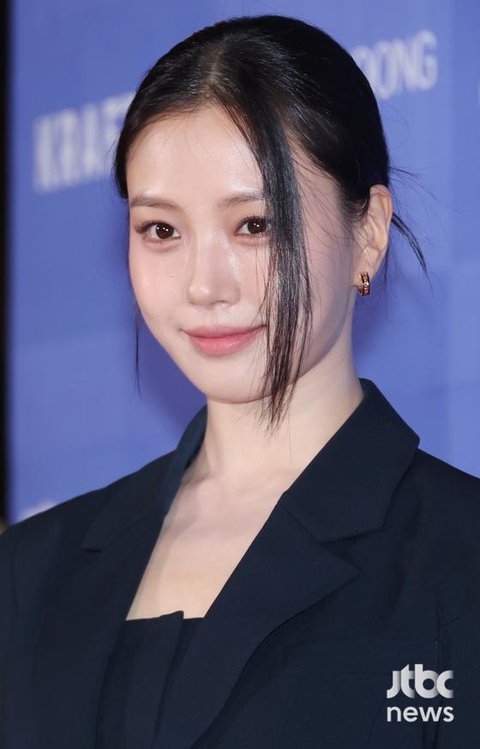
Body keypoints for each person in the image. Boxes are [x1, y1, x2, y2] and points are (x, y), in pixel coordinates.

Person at [1, 13, 479, 749]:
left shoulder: (458, 556)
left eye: (255, 224)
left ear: (369, 233)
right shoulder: (30, 571)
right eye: (162, 230)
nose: (205, 285)